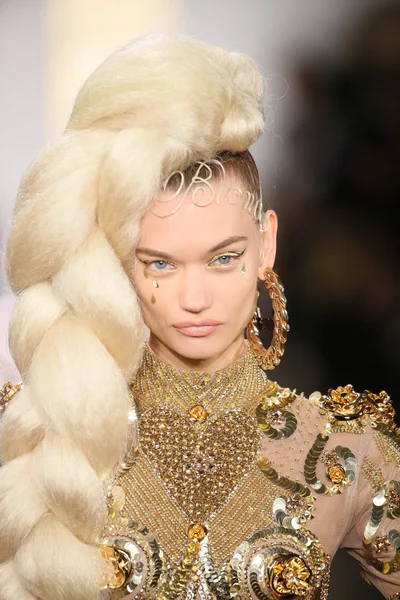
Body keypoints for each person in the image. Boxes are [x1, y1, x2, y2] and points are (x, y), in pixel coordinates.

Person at [0, 33, 399, 600]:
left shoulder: (346, 451)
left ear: (267, 244)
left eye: (224, 258)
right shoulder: (43, 440)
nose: (194, 297)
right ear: (118, 260)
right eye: (160, 263)